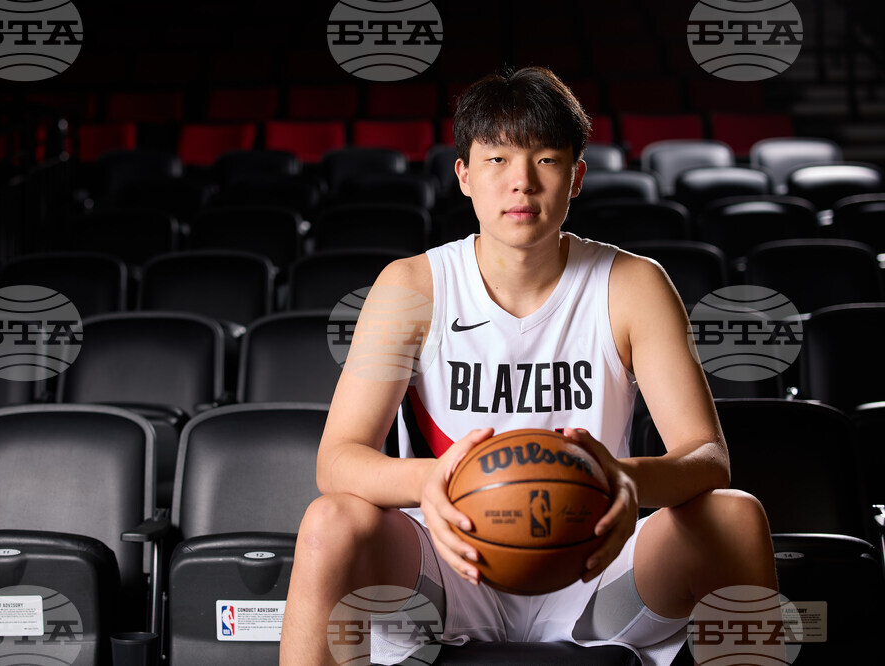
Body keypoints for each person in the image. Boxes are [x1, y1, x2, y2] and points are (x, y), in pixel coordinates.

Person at [280, 66, 779, 665]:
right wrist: (427, 484)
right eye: (496, 159)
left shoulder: (633, 284)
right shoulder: (411, 286)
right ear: (463, 175)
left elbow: (707, 455)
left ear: (576, 177)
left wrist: (626, 482)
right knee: (329, 523)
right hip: (450, 562)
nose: (521, 182)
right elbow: (337, 460)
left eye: (545, 159)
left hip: (594, 562)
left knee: (736, 517)